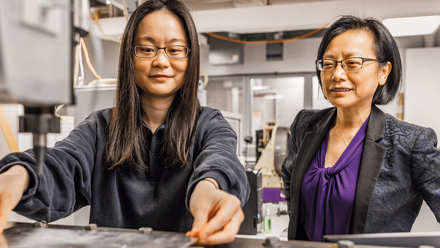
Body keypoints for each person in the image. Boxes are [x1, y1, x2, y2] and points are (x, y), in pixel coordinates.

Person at [0, 0, 250, 245]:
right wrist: (20, 175)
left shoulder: (209, 124)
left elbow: (221, 159)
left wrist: (208, 188)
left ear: (190, 58)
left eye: (174, 50)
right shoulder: (100, 127)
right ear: (129, 56)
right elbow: (64, 165)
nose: (161, 62)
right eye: (147, 48)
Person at [282, 15, 440, 241]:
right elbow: (290, 177)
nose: (336, 74)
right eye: (328, 64)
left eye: (352, 63)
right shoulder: (305, 125)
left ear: (383, 72)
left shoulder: (410, 143)